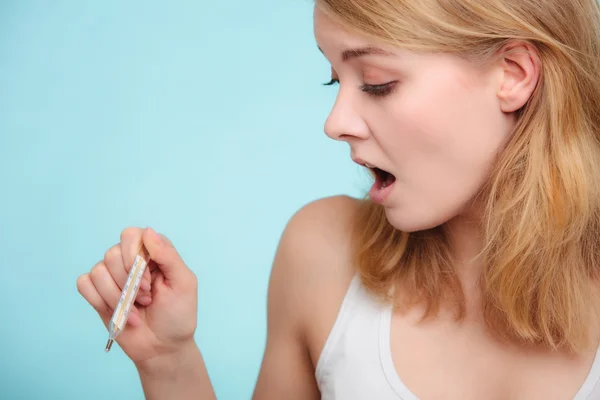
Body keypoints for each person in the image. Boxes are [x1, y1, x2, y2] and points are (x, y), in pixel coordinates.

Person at [76, 0, 600, 398]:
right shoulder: (322, 255)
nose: (335, 123)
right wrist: (168, 360)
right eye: (334, 80)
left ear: (513, 74)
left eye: (376, 83)